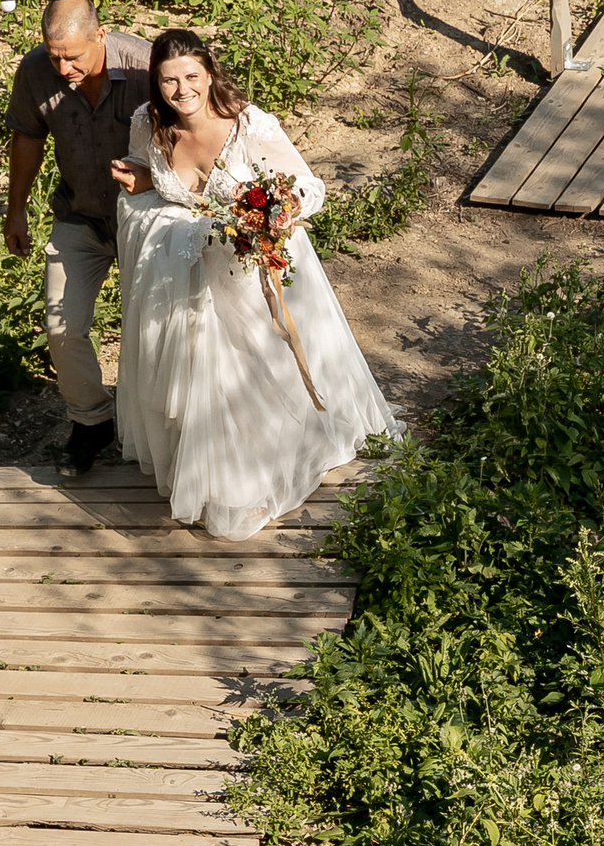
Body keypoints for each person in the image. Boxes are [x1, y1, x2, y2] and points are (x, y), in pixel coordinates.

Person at [107, 29, 401, 540]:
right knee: (209, 381)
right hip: (189, 274)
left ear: (209, 72)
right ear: (156, 82)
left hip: (253, 268)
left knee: (263, 374)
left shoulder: (248, 124)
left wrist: (274, 214)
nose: (182, 91)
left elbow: (309, 187)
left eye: (192, 77)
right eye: (169, 80)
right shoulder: (147, 124)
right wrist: (140, 180)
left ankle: (277, 466)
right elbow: (155, 178)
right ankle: (228, 486)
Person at [4, 0, 153, 478]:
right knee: (61, 326)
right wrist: (17, 210)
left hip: (147, 219)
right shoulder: (34, 72)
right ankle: (92, 422)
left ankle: (149, 432)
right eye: (55, 56)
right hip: (79, 215)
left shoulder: (146, 68)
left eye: (74, 56)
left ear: (101, 35)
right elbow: (27, 138)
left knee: (148, 333)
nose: (64, 67)